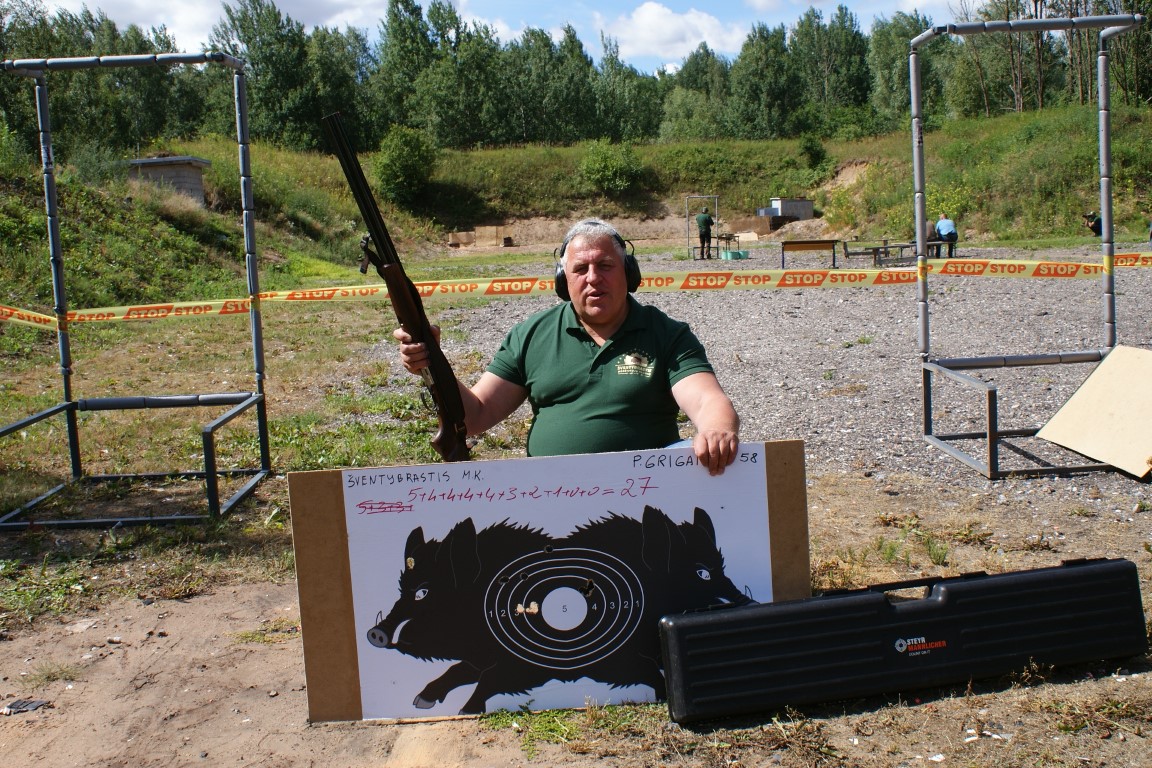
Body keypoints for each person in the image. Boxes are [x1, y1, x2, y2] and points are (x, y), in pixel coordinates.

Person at [394, 218, 740, 475]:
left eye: (605, 266)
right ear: (563, 280)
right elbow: (476, 416)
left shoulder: (666, 333)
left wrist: (716, 429)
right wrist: (432, 362)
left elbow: (706, 399)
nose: (593, 277)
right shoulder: (531, 335)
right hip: (553, 500)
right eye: (580, 269)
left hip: (646, 498)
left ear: (628, 273)